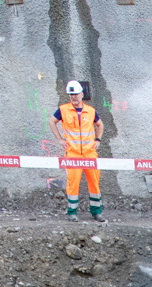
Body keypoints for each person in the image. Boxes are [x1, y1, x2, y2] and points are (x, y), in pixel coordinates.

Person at [50, 80, 103, 219]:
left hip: (89, 153)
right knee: (73, 184)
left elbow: (100, 124)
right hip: (73, 153)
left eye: (75, 94)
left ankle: (96, 212)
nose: (73, 97)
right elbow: (52, 121)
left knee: (94, 183)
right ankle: (72, 213)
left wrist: (98, 139)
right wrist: (59, 139)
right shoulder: (63, 109)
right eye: (71, 94)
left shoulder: (91, 111)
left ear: (81, 94)